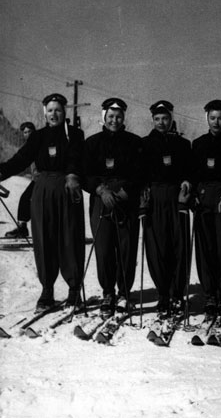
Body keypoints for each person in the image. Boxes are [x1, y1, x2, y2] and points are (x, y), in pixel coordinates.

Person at [0, 94, 85, 312]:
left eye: (57, 110)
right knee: (44, 239)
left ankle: (74, 289)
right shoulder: (38, 136)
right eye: (49, 111)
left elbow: (77, 157)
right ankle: (47, 290)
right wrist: (2, 173)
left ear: (64, 111)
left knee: (69, 237)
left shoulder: (74, 134)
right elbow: (21, 158)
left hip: (67, 187)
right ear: (44, 112)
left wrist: (73, 173)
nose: (53, 114)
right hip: (43, 190)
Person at [83, 98, 143, 319]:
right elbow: (85, 174)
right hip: (102, 199)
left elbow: (140, 172)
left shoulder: (134, 142)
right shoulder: (92, 143)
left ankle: (124, 292)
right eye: (110, 116)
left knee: (126, 249)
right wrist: (100, 190)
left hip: (126, 199)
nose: (114, 121)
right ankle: (108, 292)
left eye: (118, 116)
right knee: (104, 248)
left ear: (123, 118)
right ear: (104, 117)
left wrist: (127, 190)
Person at [140, 100, 192, 316]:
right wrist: (142, 198)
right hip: (154, 199)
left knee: (179, 246)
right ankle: (163, 293)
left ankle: (178, 294)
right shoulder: (144, 144)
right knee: (156, 247)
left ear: (172, 119)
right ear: (153, 120)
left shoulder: (182, 144)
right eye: (157, 119)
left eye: (165, 118)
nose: (162, 122)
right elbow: (139, 173)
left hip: (176, 198)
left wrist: (188, 181)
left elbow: (190, 170)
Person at [191, 99, 221, 323]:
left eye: (220, 118)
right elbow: (193, 174)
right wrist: (191, 189)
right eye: (212, 118)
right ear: (207, 119)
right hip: (203, 201)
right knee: (206, 249)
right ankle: (210, 294)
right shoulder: (198, 144)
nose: (216, 122)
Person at [5, 122, 37, 238]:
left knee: (27, 199)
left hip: (43, 179)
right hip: (36, 179)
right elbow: (19, 163)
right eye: (25, 132)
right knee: (26, 199)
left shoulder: (37, 143)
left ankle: (23, 227)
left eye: (29, 132)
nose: (27, 134)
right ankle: (22, 227)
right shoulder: (27, 147)